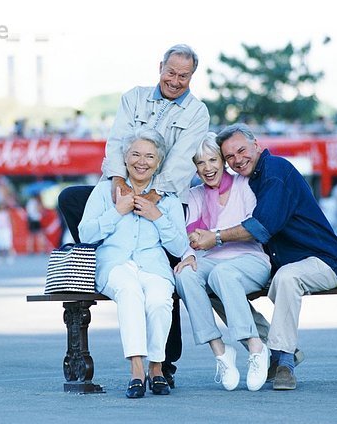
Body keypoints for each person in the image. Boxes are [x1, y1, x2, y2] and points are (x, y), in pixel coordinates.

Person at [58, 44, 209, 387]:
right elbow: (116, 142)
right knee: (70, 198)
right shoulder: (134, 98)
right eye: (170, 72)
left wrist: (154, 197)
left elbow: (181, 160)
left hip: (165, 192)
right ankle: (96, 254)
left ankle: (163, 366)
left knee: (163, 282)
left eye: (183, 76)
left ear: (192, 76)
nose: (175, 80)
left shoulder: (197, 112)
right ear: (160, 67)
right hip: (123, 182)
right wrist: (117, 184)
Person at [189, 124, 337, 390]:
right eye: (230, 157)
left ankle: (284, 362)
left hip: (322, 260)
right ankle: (272, 347)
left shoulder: (275, 171)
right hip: (282, 264)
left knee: (288, 278)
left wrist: (215, 236)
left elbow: (262, 226)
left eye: (241, 150)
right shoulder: (249, 180)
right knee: (214, 283)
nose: (238, 160)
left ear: (256, 145)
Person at [78, 129, 188, 398]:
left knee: (161, 299)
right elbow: (85, 234)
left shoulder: (168, 198)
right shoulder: (106, 191)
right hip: (115, 264)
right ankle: (137, 371)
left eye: (150, 156)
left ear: (159, 162)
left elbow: (179, 247)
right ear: (125, 158)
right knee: (129, 292)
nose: (142, 161)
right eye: (135, 154)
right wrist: (117, 212)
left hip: (153, 265)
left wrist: (157, 216)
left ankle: (157, 368)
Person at [174, 133, 272, 391]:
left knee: (222, 274)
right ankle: (221, 352)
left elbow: (253, 226)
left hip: (249, 259)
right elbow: (188, 236)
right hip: (213, 261)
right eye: (200, 163)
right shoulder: (195, 195)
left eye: (212, 160)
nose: (207, 168)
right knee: (184, 275)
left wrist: (214, 238)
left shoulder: (243, 184)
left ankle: (255, 347)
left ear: (222, 160)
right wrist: (189, 255)